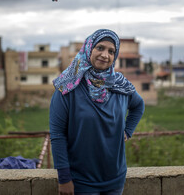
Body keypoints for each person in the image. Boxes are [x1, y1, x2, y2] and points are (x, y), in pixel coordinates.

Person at [49, 29, 145, 195]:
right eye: (100, 48)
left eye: (111, 51)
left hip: (115, 179)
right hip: (82, 182)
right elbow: (57, 135)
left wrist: (127, 131)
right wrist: (64, 179)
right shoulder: (67, 88)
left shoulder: (120, 86)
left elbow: (139, 106)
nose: (105, 55)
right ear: (89, 49)